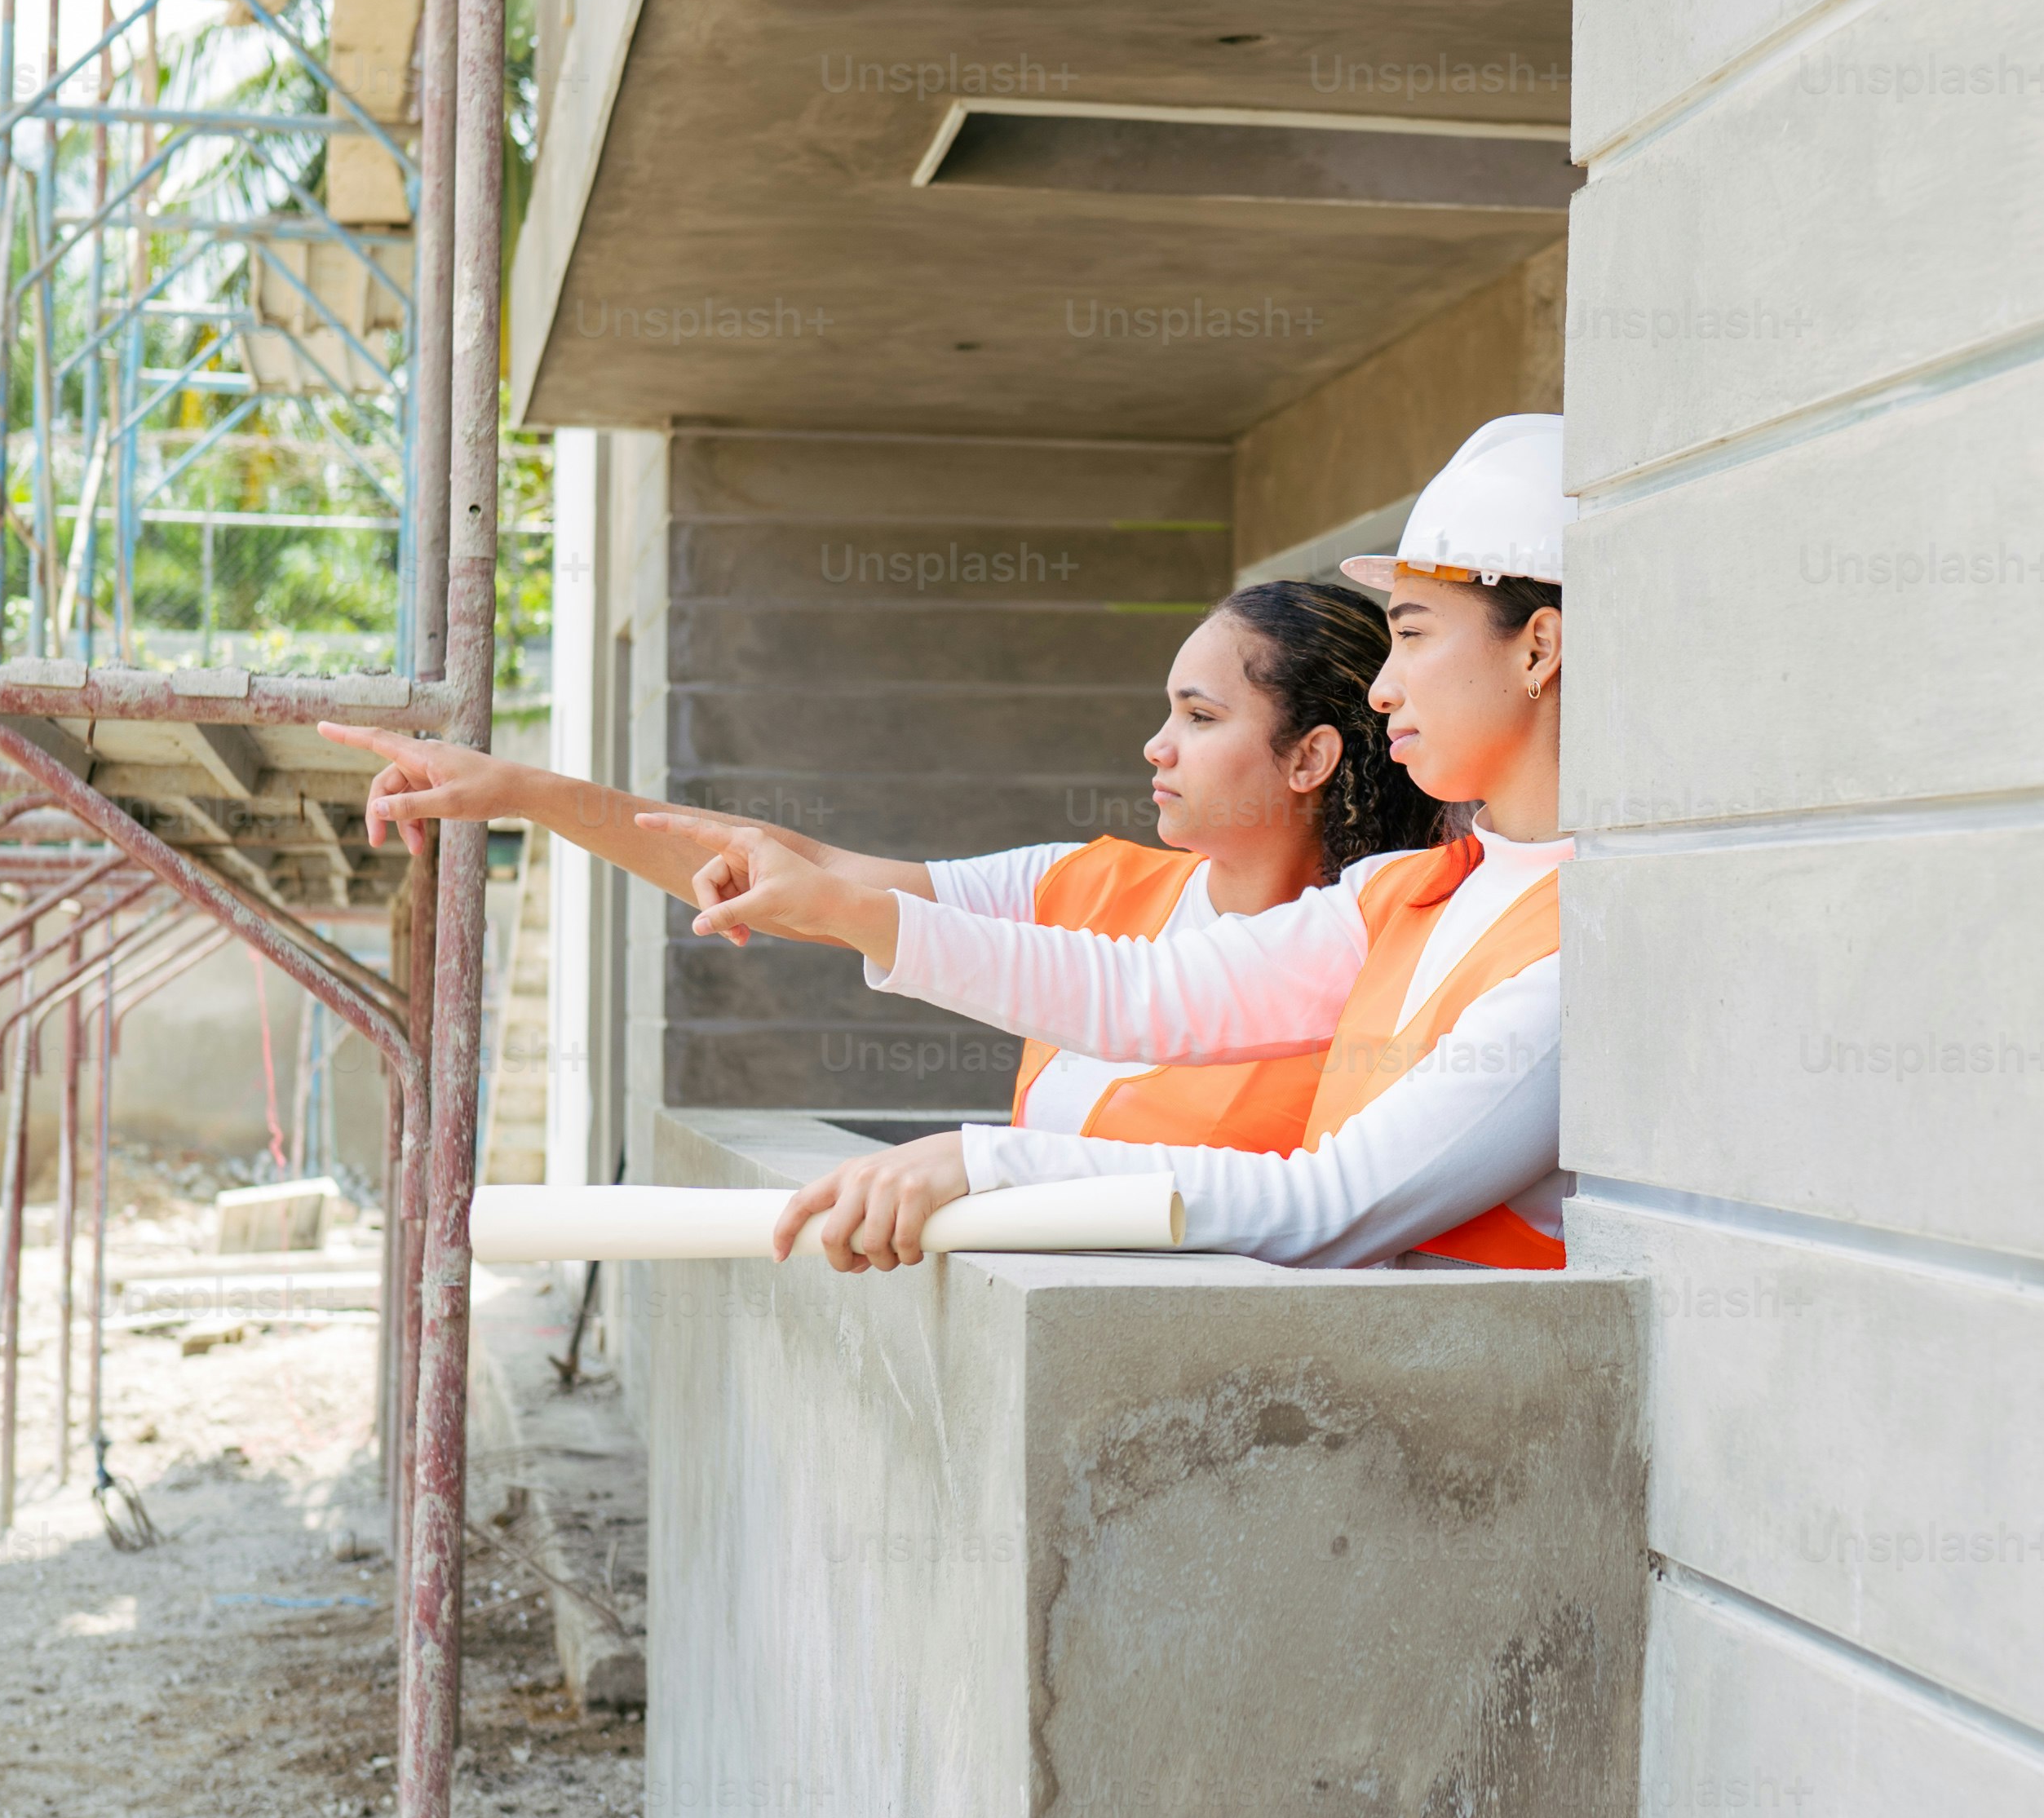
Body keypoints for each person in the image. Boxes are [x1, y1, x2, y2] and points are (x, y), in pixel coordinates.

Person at [677, 413, 1573, 1276]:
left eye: (1412, 633)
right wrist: (844, 910)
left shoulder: (1581, 942)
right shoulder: (1412, 889)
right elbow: (1143, 992)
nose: (1384, 690)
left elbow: (1329, 1209)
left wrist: (993, 1163)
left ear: (1538, 650)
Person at [317, 576, 1440, 1156]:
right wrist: (520, 791)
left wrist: (846, 909)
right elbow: (787, 871)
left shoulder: (1382, 962)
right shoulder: (1094, 887)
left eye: (1198, 717)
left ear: (1310, 757)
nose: (1156, 746)